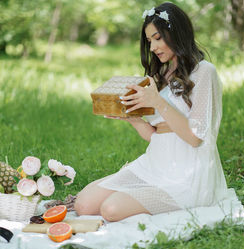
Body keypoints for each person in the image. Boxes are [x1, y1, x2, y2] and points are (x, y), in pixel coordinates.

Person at [74, 2, 228, 222]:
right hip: (155, 162)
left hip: (186, 173)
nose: (154, 47)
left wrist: (157, 101)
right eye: (149, 41)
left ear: (176, 33)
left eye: (158, 38)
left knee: (111, 209)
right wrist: (133, 118)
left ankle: (143, 201)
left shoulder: (204, 72)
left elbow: (195, 138)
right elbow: (155, 135)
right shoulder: (161, 74)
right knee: (83, 204)